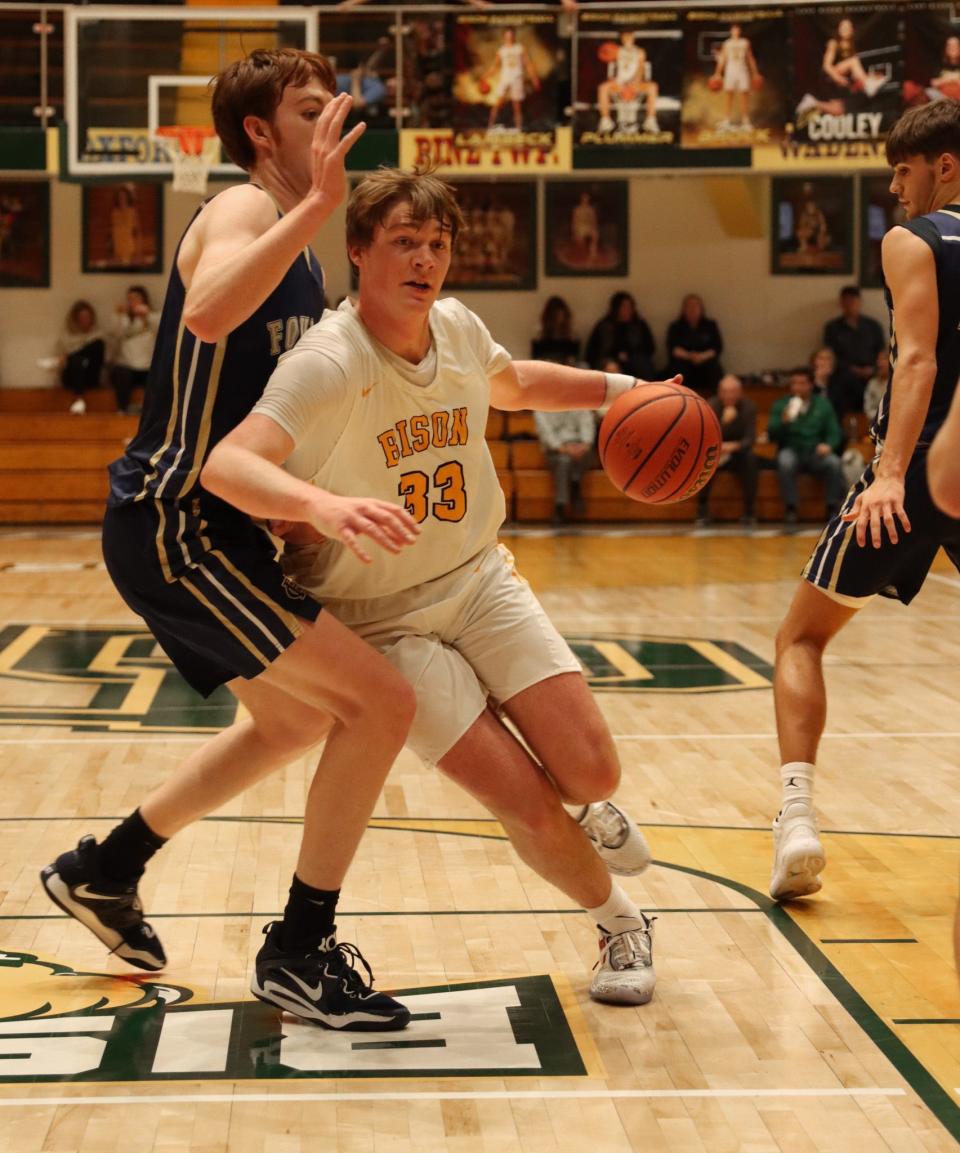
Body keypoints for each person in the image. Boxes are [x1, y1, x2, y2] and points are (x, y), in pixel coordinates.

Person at [202, 166, 680, 1007]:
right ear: (357, 251)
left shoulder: (455, 327)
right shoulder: (327, 361)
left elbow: (517, 384)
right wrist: (324, 503)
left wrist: (627, 391)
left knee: (591, 770)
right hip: (382, 623)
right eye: (404, 243)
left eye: (438, 244)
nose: (425, 260)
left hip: (480, 578)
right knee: (525, 799)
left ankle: (596, 811)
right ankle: (621, 921)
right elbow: (226, 465)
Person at [40, 49, 421, 1032]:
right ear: (263, 132)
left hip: (220, 524)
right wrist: (316, 205)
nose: (331, 118)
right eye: (308, 108)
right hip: (175, 524)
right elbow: (208, 311)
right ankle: (299, 949)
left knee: (295, 723)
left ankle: (105, 868)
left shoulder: (298, 246)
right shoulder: (245, 213)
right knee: (380, 703)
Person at [769, 99, 960, 903]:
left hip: (917, 469)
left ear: (944, 167)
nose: (894, 187)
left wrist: (887, 473)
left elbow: (915, 361)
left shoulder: (914, 240)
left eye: (903, 170)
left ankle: (796, 819)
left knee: (799, 637)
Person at [767, 366, 844, 525]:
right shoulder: (781, 405)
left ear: (810, 385)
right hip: (791, 449)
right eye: (794, 383)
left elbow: (834, 431)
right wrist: (783, 422)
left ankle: (831, 507)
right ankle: (791, 508)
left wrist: (829, 445)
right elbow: (771, 435)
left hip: (815, 451)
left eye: (802, 383)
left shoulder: (823, 405)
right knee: (785, 461)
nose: (798, 387)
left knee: (834, 462)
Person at [695, 373, 758, 527]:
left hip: (738, 453)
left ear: (740, 392)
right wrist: (723, 423)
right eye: (725, 391)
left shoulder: (749, 407)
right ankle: (702, 510)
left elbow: (750, 438)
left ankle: (749, 511)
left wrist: (734, 446)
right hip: (716, 452)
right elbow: (704, 436)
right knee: (705, 461)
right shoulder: (711, 405)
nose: (729, 395)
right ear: (719, 392)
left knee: (751, 460)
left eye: (732, 391)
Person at [823, 285, 886, 418]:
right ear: (841, 303)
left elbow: (882, 351)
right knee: (839, 386)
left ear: (859, 302)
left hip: (872, 372)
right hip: (845, 374)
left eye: (853, 300)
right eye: (846, 301)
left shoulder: (873, 326)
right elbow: (831, 355)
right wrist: (853, 370)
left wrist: (873, 368)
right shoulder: (832, 328)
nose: (850, 304)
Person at [535, 407, 596, 524]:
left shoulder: (580, 404)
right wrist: (562, 448)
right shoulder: (540, 407)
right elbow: (546, 434)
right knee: (564, 461)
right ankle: (574, 485)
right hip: (556, 450)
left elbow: (588, 428)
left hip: (581, 449)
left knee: (576, 460)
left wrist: (584, 445)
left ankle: (560, 507)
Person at [596, 31, 659, 135]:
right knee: (603, 87)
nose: (628, 38)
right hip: (619, 83)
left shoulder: (640, 51)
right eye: (625, 36)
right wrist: (614, 80)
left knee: (653, 86)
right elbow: (611, 65)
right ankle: (605, 120)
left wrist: (634, 82)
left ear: (633, 37)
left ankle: (650, 120)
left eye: (630, 36)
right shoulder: (616, 50)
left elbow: (641, 69)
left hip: (635, 83)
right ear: (622, 38)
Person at [585, 290, 656, 381]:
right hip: (610, 359)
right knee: (612, 369)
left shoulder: (639, 325)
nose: (627, 310)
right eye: (624, 307)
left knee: (642, 366)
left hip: (634, 359)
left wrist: (630, 355)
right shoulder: (604, 326)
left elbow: (650, 348)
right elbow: (592, 351)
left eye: (630, 307)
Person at [109, 285, 158, 414]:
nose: (133, 302)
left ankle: (150, 412)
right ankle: (122, 409)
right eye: (130, 299)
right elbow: (115, 335)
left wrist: (146, 316)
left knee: (159, 376)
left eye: (136, 298)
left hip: (148, 366)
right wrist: (120, 315)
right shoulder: (124, 319)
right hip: (127, 365)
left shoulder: (154, 317)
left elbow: (163, 332)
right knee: (120, 374)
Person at [482, 27, 541, 133]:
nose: (509, 38)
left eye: (511, 35)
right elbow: (495, 66)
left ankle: (518, 128)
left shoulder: (519, 48)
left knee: (516, 105)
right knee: (497, 102)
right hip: (505, 77)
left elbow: (528, 64)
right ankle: (490, 127)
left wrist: (534, 78)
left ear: (514, 36)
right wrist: (486, 76)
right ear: (504, 37)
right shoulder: (502, 50)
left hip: (517, 77)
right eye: (507, 36)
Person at [665, 293, 723, 396]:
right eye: (689, 306)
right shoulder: (676, 327)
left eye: (696, 306)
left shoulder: (710, 325)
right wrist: (689, 356)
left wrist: (702, 356)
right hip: (684, 362)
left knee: (715, 368)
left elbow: (717, 347)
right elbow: (673, 349)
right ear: (683, 309)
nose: (692, 309)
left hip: (705, 361)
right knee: (677, 369)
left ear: (701, 309)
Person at [709, 23, 761, 132]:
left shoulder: (745, 42)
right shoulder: (727, 43)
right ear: (731, 31)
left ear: (740, 31)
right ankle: (727, 120)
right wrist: (717, 73)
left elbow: (750, 58)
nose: (735, 31)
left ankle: (746, 121)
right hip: (730, 71)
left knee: (744, 96)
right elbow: (722, 59)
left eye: (737, 29)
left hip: (742, 71)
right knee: (729, 95)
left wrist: (755, 73)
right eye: (733, 29)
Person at [57, 300, 105, 415]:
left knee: (97, 345)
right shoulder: (66, 337)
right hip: (72, 377)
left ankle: (72, 357)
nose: (85, 320)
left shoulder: (99, 335)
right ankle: (79, 398)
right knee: (76, 360)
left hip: (91, 375)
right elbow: (60, 361)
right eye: (81, 317)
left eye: (87, 317)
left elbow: (104, 360)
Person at [822, 17, 887, 99]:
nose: (845, 29)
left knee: (878, 76)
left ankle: (869, 84)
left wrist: (871, 76)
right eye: (843, 27)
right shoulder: (834, 43)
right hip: (831, 75)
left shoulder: (852, 45)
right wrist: (838, 78)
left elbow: (855, 71)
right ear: (838, 29)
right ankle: (868, 84)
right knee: (854, 61)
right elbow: (826, 66)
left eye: (847, 27)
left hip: (845, 75)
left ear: (852, 30)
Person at [531, 295, 580, 367]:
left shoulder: (571, 337)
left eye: (560, 314)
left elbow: (573, 359)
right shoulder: (540, 338)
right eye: (556, 315)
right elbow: (537, 360)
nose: (559, 318)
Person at [110, 185, 142, 266]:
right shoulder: (114, 213)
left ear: (128, 198)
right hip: (117, 250)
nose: (122, 199)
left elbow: (137, 232)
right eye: (120, 197)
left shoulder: (133, 212)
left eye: (124, 197)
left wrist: (138, 252)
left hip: (130, 249)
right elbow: (112, 232)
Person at [863, 347, 889, 424]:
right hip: (876, 424)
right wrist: (881, 417)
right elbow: (868, 408)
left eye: (884, 359)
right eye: (879, 360)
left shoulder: (897, 383)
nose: (880, 364)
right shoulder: (872, 384)